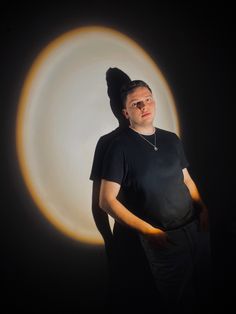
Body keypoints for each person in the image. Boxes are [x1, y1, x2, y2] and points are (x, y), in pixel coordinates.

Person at [99, 79, 211, 313]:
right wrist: (149, 231)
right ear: (125, 112)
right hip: (165, 240)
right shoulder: (118, 147)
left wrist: (203, 208)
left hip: (196, 230)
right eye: (136, 103)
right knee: (178, 301)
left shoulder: (171, 139)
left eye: (147, 99)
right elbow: (106, 201)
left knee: (206, 288)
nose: (143, 106)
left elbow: (187, 179)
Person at [90, 69, 156, 312]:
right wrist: (109, 241)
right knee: (126, 297)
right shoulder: (108, 143)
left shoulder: (158, 139)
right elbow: (99, 201)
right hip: (128, 239)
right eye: (114, 95)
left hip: (161, 235)